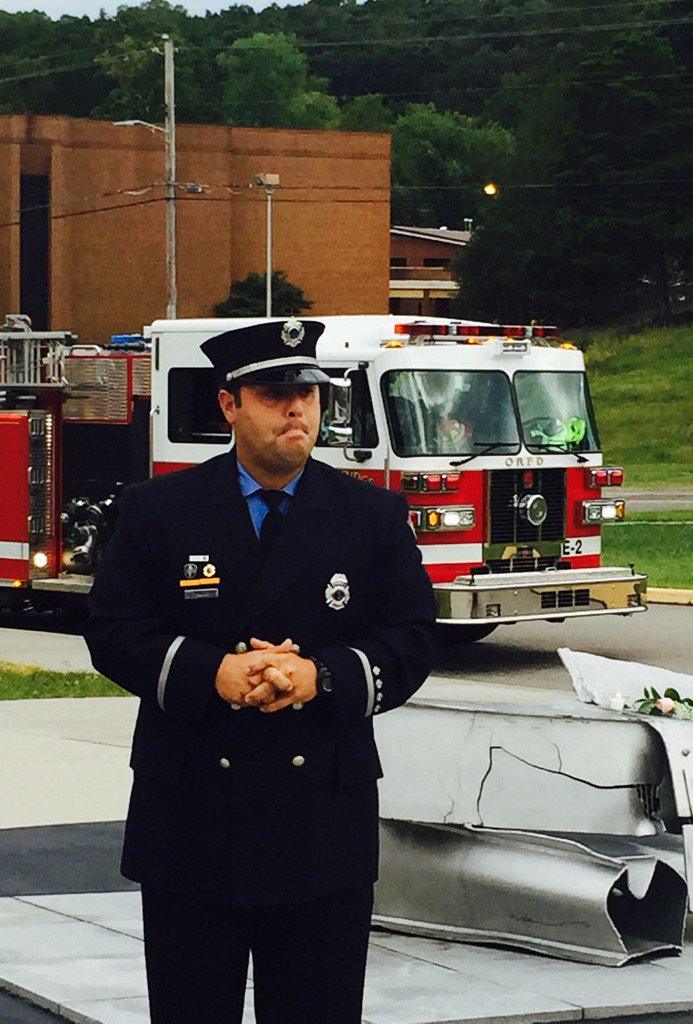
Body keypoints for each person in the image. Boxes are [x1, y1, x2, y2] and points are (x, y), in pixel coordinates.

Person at [84, 317, 436, 1024]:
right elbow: (113, 631)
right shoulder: (158, 511)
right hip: (191, 819)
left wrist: (321, 677)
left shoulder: (370, 516)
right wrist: (209, 672)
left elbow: (411, 640)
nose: (298, 409)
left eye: (310, 393)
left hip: (320, 827)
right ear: (229, 405)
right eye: (276, 393)